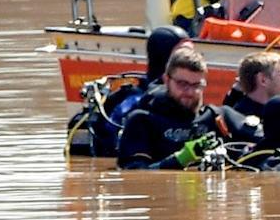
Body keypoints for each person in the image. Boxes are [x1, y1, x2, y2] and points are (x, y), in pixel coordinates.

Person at [116, 47, 259, 170]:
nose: (190, 92)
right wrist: (179, 160)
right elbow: (135, 174)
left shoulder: (218, 117)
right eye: (182, 84)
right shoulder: (142, 121)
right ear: (167, 80)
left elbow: (266, 144)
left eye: (196, 85)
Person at [66, 25, 193, 157]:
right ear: (164, 59)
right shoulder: (132, 103)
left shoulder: (192, 100)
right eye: (183, 56)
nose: (191, 61)